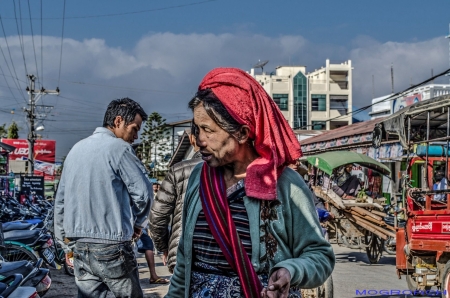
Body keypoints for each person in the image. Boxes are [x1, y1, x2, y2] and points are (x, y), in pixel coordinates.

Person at [165, 68, 334, 298]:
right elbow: (185, 263)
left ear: (243, 133)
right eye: (197, 128)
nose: (200, 141)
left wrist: (290, 270)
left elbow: (320, 255)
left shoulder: (285, 185)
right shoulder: (199, 178)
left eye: (208, 130)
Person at [54, 98, 153, 298]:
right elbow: (144, 193)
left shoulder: (75, 150)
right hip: (113, 247)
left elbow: (61, 202)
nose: (135, 136)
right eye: (134, 128)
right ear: (118, 122)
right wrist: (138, 223)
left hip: (80, 247)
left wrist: (64, 243)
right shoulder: (119, 149)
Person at [150, 124, 203, 274]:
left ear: (192, 139)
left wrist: (164, 247)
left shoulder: (178, 170)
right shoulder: (236, 170)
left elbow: (157, 217)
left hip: (182, 253)